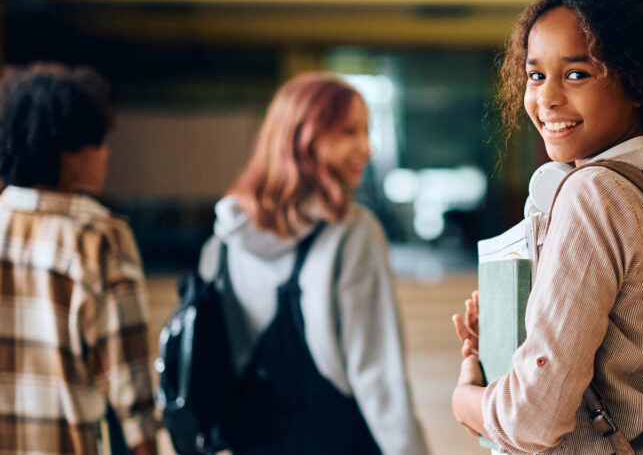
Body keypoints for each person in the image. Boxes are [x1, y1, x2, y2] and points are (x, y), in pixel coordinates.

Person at [450, 0, 643, 454]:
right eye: (536, 75)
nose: (547, 99)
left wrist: (467, 398)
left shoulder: (594, 193)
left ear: (637, 80)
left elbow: (533, 420)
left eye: (577, 74)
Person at [196, 72, 428, 454]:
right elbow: (379, 379)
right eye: (348, 132)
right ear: (305, 139)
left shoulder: (223, 242)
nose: (367, 148)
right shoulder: (351, 234)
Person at [0, 64, 159, 454]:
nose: (106, 153)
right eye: (99, 142)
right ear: (68, 154)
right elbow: (130, 383)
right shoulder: (98, 238)